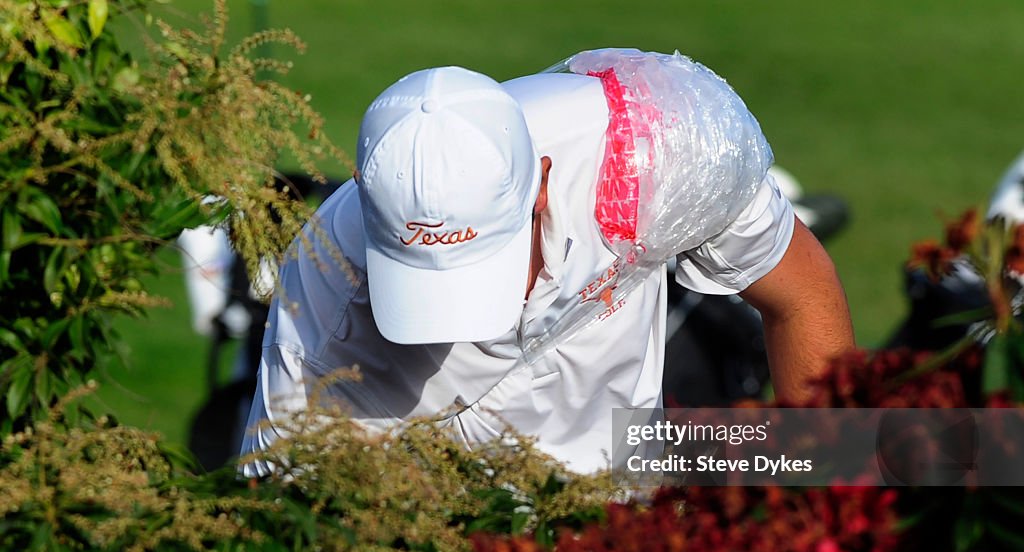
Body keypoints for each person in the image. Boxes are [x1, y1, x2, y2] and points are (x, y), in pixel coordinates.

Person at [239, 48, 855, 475]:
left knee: (937, 451)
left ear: (541, 183)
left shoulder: (653, 148)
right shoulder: (324, 298)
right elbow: (292, 537)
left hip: (628, 488)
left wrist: (834, 500)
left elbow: (800, 296)